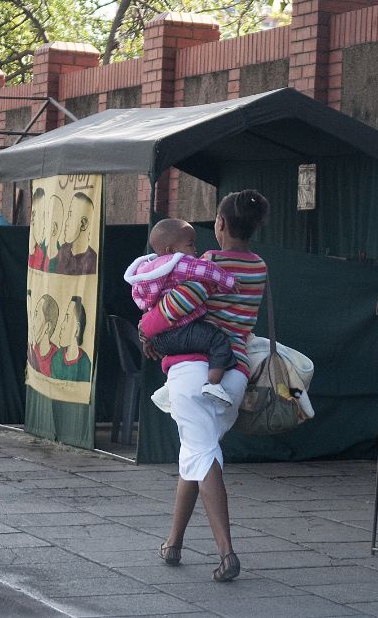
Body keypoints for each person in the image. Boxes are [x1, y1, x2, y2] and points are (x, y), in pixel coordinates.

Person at [139, 189, 270, 583]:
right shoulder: (260, 266)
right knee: (194, 454)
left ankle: (227, 552)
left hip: (194, 370)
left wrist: (145, 331)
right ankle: (173, 543)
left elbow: (177, 306)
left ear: (221, 225)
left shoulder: (208, 262)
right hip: (234, 375)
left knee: (202, 453)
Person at [125, 218, 239, 407]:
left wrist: (148, 338)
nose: (195, 249)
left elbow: (149, 307)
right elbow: (205, 270)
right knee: (217, 340)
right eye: (190, 244)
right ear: (171, 250)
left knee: (188, 347)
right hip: (180, 330)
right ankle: (213, 384)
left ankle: (170, 387)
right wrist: (228, 281)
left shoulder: (150, 270)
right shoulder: (178, 264)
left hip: (161, 338)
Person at [50, 296, 92, 382]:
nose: (62, 325)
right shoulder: (56, 358)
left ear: (77, 329)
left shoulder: (85, 363)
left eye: (67, 318)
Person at [55, 191, 98, 275]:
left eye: (70, 215)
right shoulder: (63, 251)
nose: (66, 222)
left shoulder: (93, 260)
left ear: (83, 223)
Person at [27, 293, 59, 377]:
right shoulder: (32, 349)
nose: (33, 323)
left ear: (47, 326)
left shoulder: (58, 358)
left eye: (37, 315)